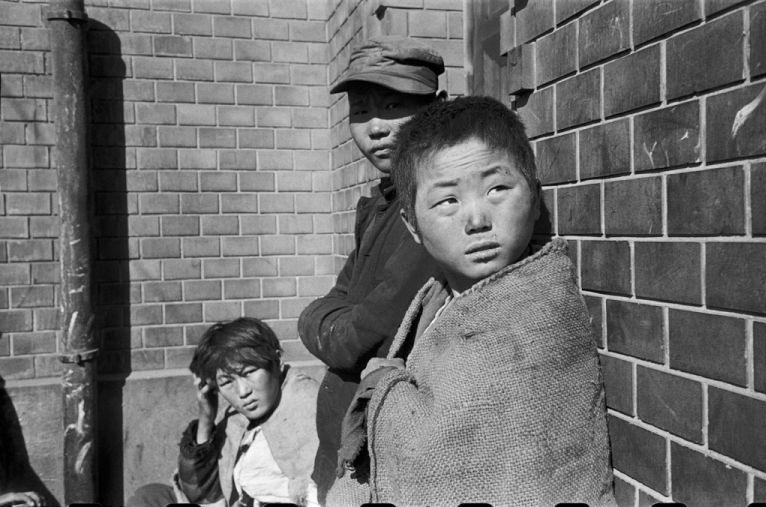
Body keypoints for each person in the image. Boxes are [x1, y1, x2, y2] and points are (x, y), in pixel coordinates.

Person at [337, 96, 616, 506]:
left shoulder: (537, 315)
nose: (477, 219)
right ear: (411, 224)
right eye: (448, 201)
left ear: (535, 197)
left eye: (497, 188)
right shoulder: (439, 293)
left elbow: (433, 458)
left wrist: (381, 384)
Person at [297, 36, 444, 503]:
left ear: (437, 109)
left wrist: (320, 320)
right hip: (341, 458)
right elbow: (338, 304)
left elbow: (360, 337)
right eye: (361, 111)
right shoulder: (382, 202)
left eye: (393, 105)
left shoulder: (434, 208)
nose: (375, 127)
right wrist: (322, 317)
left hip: (381, 468)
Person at [128, 317, 320, 507]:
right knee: (149, 497)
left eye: (249, 373)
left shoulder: (305, 405)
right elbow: (201, 494)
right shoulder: (237, 419)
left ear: (277, 361)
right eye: (227, 382)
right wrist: (206, 417)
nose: (243, 392)